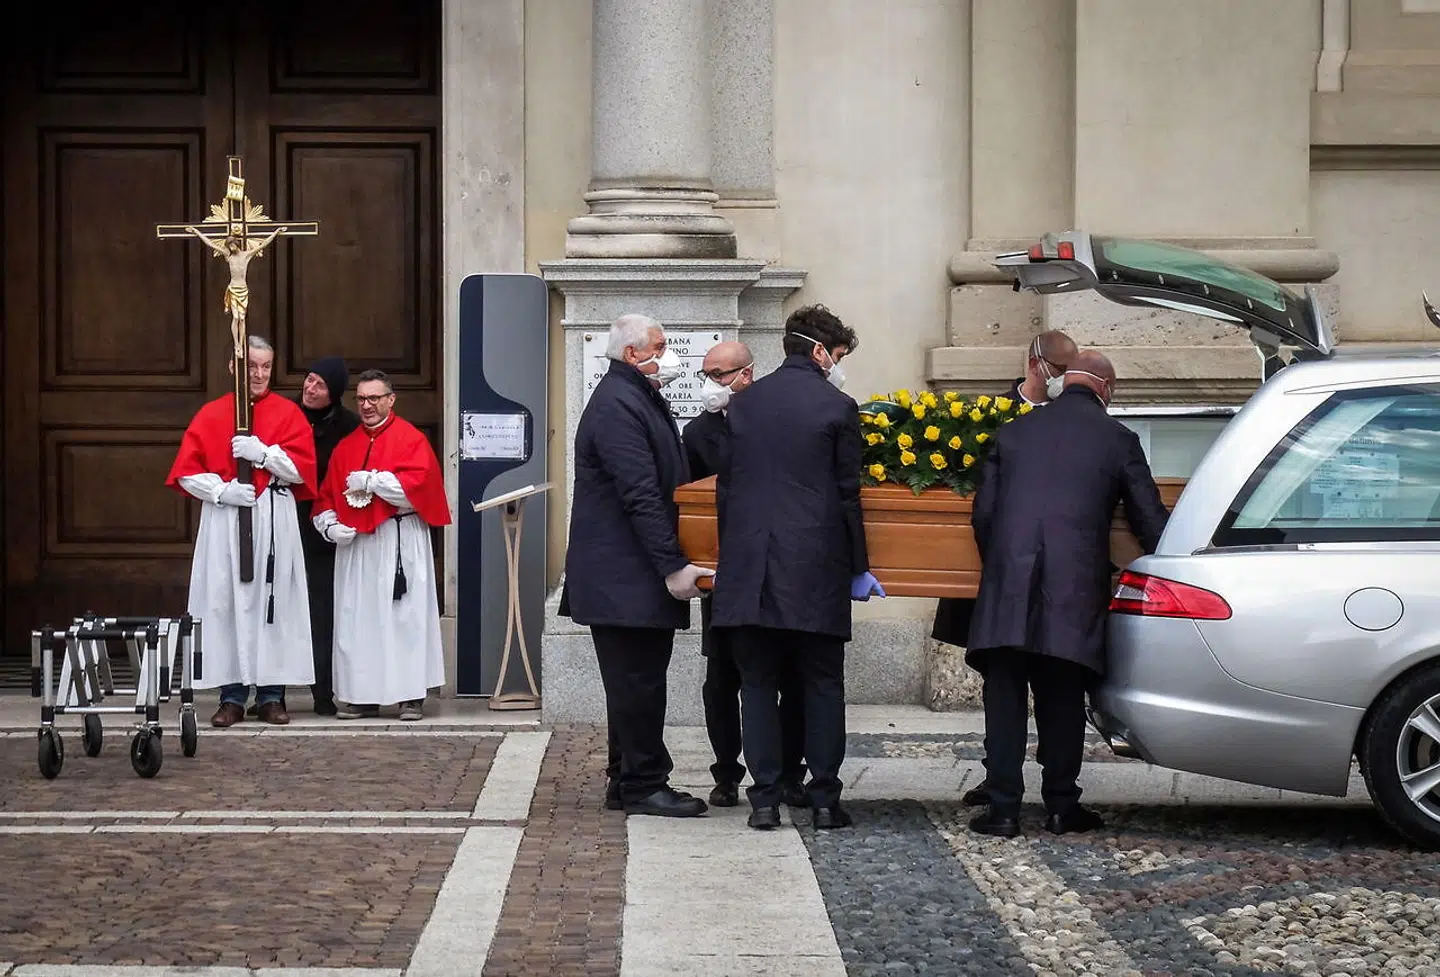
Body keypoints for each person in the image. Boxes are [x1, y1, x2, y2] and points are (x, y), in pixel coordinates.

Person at [966, 350, 1169, 838]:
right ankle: (1061, 806)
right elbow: (1148, 520)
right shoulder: (1118, 440)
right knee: (1062, 697)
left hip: (1007, 587)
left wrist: (1004, 568)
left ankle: (1003, 809)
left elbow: (984, 517)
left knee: (1006, 698)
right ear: (1106, 388)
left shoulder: (1013, 432)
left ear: (1063, 381)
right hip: (1074, 587)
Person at [713, 304, 883, 831]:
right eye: (837, 355)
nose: (837, 364)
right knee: (822, 684)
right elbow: (846, 495)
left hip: (749, 567)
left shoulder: (742, 406)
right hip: (814, 566)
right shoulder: (838, 407)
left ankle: (764, 799)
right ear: (817, 351)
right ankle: (825, 798)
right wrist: (859, 566)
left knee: (757, 685)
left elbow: (727, 491)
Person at [560, 313, 712, 819]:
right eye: (661, 345)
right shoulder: (619, 404)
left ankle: (626, 779)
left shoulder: (634, 396)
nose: (669, 354)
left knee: (633, 682)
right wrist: (673, 566)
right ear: (633, 353)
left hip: (625, 574)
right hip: (625, 575)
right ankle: (645, 782)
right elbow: (641, 494)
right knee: (639, 683)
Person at [932, 328, 1077, 806]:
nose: (1060, 380)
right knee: (1003, 682)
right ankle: (1000, 777)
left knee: (1052, 682)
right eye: (1056, 370)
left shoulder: (1073, 415)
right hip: (1000, 572)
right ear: (1034, 363)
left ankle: (1050, 784)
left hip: (1052, 574)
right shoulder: (988, 416)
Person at [165, 335, 318, 727]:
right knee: (224, 602)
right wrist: (221, 491)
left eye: (266, 366)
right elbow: (186, 472)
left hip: (273, 517)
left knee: (274, 603)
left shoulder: (288, 414)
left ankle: (271, 696)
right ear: (234, 368)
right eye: (251, 366)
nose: (259, 374)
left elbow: (303, 471)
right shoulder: (212, 414)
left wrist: (264, 454)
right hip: (226, 519)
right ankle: (231, 696)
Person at [684, 342, 810, 809]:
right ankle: (726, 772)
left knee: (789, 676)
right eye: (708, 374)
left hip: (781, 568)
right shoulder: (699, 432)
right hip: (725, 570)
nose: (713, 383)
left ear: (748, 373)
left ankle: (789, 771)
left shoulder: (777, 421)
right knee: (722, 679)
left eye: (721, 373)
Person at [313, 369, 450, 721]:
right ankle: (362, 695)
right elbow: (326, 496)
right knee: (358, 619)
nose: (367, 405)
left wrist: (373, 481)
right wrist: (329, 526)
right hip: (357, 546)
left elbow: (418, 489)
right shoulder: (347, 446)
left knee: (403, 618)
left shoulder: (411, 440)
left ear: (391, 399)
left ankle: (409, 696)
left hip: (397, 539)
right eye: (361, 399)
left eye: (375, 398)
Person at [294, 357, 361, 716]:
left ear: (333, 392)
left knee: (323, 612)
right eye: (308, 380)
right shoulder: (287, 416)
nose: (310, 388)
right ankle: (268, 694)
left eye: (319, 384)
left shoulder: (349, 427)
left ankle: (323, 691)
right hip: (283, 523)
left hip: (324, 529)